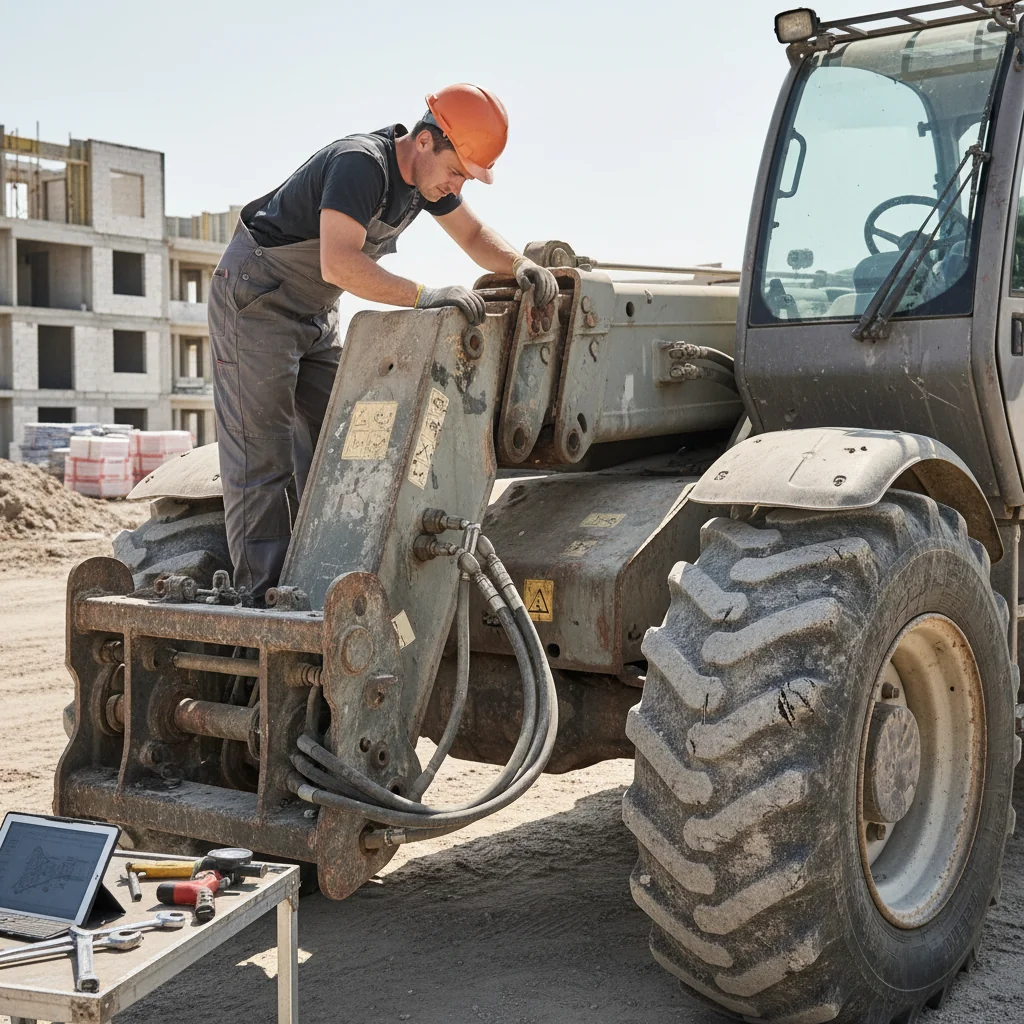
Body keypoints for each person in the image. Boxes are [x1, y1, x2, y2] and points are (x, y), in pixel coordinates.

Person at [208, 83, 559, 601]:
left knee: (346, 441)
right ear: (424, 141)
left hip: (311, 311)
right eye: (457, 171)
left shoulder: (424, 184)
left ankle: (320, 582)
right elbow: (339, 263)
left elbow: (471, 236)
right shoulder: (360, 164)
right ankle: (262, 604)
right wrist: (425, 295)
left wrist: (521, 264)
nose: (457, 185)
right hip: (256, 300)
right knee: (263, 455)